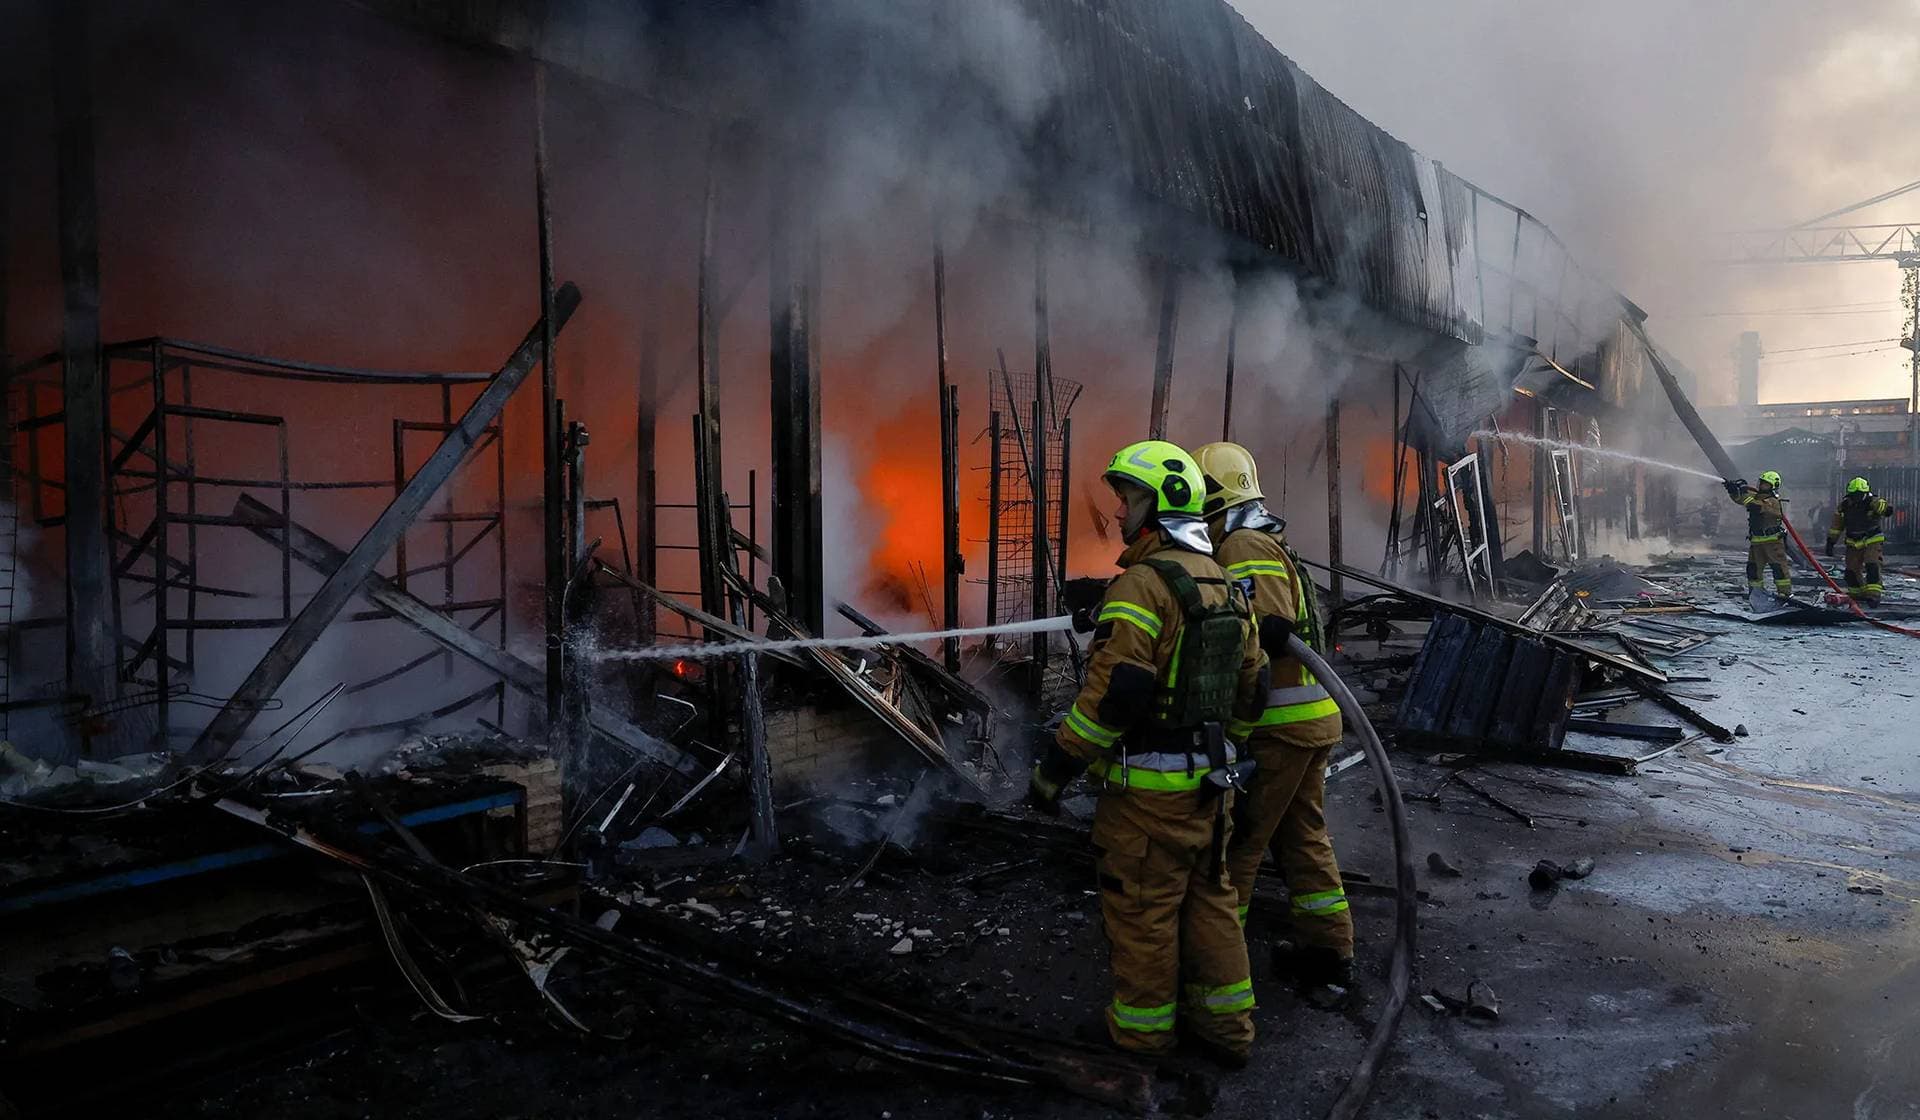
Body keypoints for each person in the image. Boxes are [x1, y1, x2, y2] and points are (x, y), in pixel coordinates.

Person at [1027, 439, 1270, 1067]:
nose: (1119, 511)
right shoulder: (1222, 578)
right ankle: (1228, 1031)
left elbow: (1114, 697)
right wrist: (1226, 747)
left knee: (1143, 913)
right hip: (1213, 789)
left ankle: (1142, 1036)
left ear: (1161, 505)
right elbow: (1254, 687)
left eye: (1129, 497)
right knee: (1212, 902)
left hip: (1147, 800)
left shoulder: (1142, 583)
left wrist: (1057, 769)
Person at [1191, 441, 1354, 1004]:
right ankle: (1327, 950)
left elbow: (1258, 632)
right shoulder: (1265, 536)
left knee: (1239, 844)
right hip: (1313, 720)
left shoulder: (1241, 544)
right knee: (1302, 835)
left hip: (1280, 725)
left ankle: (1217, 973)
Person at [1724, 470, 1791, 600]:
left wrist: (1743, 492)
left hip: (1773, 543)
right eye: (1761, 483)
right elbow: (1740, 500)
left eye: (1765, 484)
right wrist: (1732, 491)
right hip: (1756, 543)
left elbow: (1755, 506)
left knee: (1779, 570)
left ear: (1773, 486)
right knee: (1753, 571)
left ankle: (1785, 595)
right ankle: (1756, 595)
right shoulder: (1756, 496)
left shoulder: (1773, 501)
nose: (1761, 486)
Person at [1827, 477, 1894, 605]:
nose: (1856, 498)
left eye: (1858, 495)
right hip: (1853, 541)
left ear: (1865, 493)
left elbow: (1884, 507)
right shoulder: (1845, 506)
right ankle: (1857, 594)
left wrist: (1886, 509)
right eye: (1854, 495)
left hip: (1872, 539)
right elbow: (1837, 526)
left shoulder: (1872, 502)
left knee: (1872, 564)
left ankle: (1874, 595)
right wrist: (1831, 542)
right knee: (1851, 570)